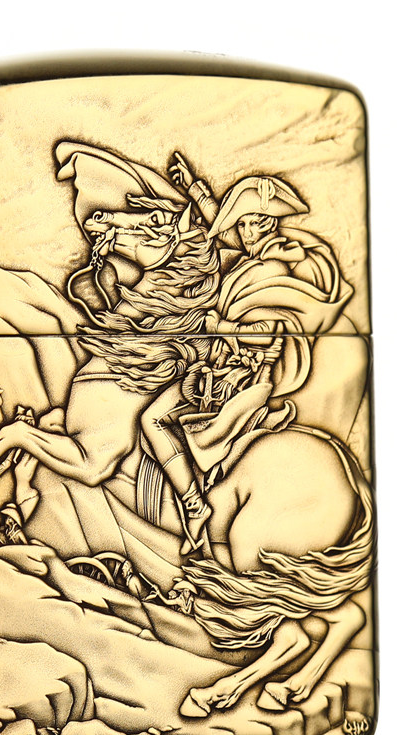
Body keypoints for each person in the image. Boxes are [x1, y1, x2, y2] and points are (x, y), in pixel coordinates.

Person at [140, 155, 354, 555]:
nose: (240, 232)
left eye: (247, 224)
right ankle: (193, 502)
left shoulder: (273, 269)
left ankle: (195, 506)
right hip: (221, 369)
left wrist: (218, 324)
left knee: (152, 420)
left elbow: (267, 333)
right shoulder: (256, 260)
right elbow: (220, 227)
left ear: (265, 224)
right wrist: (196, 189)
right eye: (240, 225)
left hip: (241, 380)